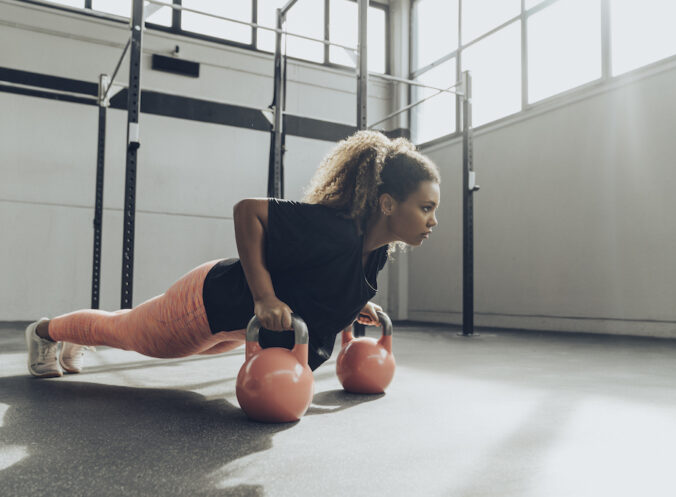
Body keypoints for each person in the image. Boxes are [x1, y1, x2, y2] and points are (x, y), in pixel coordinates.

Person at [26, 130, 440, 377]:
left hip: (233, 324)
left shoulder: (376, 252)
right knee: (125, 332)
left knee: (124, 327)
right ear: (387, 204)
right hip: (207, 302)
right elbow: (248, 212)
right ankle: (46, 332)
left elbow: (319, 278)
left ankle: (68, 337)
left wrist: (357, 303)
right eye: (426, 208)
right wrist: (264, 296)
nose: (432, 221)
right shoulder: (333, 227)